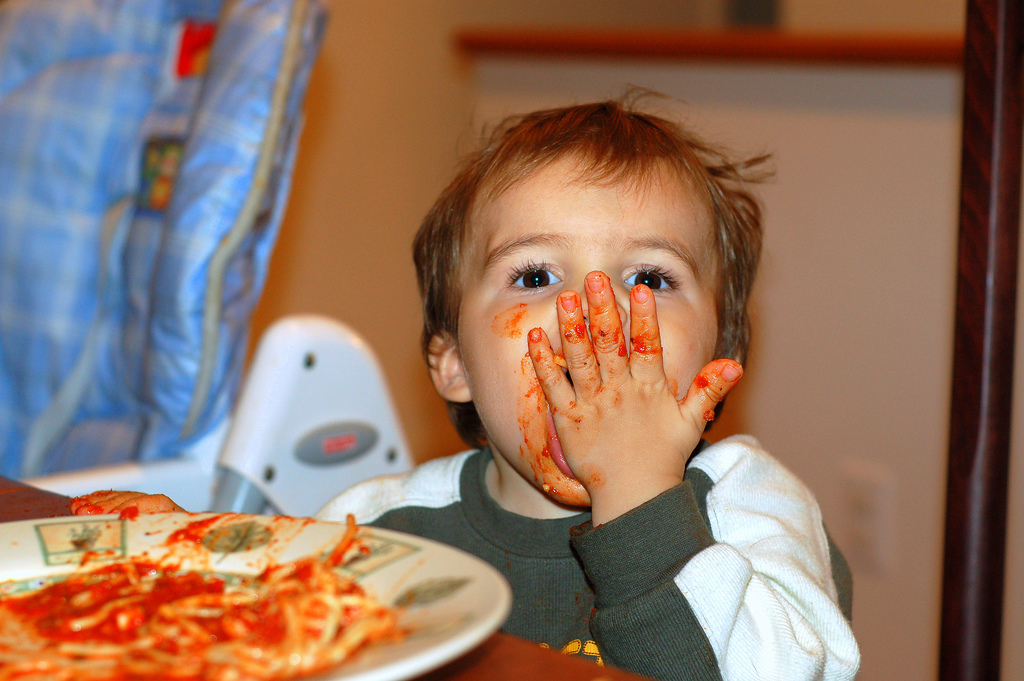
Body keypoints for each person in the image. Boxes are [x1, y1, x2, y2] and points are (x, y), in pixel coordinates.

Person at [74, 97, 860, 681]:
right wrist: (189, 560)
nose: (596, 314)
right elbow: (272, 637)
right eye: (535, 275)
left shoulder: (754, 513)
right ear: (451, 362)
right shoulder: (383, 525)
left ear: (719, 358)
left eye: (650, 277)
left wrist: (640, 501)